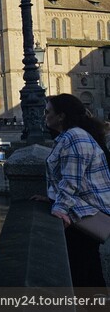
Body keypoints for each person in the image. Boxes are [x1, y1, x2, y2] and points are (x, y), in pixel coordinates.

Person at [34, 93, 110, 287]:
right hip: (81, 210)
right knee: (83, 268)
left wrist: (59, 208)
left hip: (87, 212)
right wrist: (51, 198)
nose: (45, 115)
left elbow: (71, 180)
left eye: (48, 112)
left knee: (85, 270)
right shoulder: (69, 136)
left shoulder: (75, 137)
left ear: (61, 116)